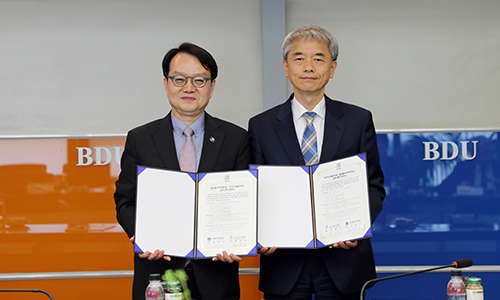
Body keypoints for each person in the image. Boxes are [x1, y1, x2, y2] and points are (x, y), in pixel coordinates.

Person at [248, 25, 386, 299]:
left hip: (343, 262)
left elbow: (374, 186)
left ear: (332, 68)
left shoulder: (358, 121)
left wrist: (356, 228)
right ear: (286, 67)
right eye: (299, 59)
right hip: (284, 263)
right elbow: (254, 191)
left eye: (318, 59)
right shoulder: (261, 126)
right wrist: (261, 231)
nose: (308, 67)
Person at [114, 42, 250, 300]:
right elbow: (125, 201)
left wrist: (237, 242)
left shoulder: (235, 139)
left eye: (199, 80)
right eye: (179, 79)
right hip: (157, 277)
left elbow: (244, 203)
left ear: (212, 86)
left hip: (217, 279)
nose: (189, 88)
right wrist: (141, 234)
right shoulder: (140, 139)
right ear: (166, 84)